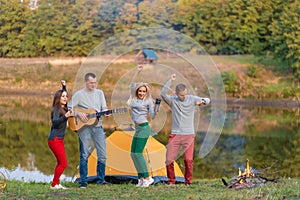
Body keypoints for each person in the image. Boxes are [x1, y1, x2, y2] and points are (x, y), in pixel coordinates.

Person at [160, 74, 210, 186]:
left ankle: (188, 182)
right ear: (176, 94)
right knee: (169, 160)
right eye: (182, 95)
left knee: (188, 160)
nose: (184, 97)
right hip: (175, 135)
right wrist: (170, 80)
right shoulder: (172, 101)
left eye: (185, 94)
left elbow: (208, 99)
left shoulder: (191, 99)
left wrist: (202, 102)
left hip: (189, 135)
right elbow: (162, 94)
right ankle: (171, 181)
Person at [68, 73, 110, 188]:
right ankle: (83, 181)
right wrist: (79, 113)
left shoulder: (100, 93)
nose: (93, 85)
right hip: (84, 128)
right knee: (84, 154)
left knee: (102, 154)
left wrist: (106, 112)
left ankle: (100, 180)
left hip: (98, 127)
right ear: (85, 82)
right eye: (91, 83)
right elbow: (69, 107)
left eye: (95, 82)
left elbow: (104, 107)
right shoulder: (79, 94)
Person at [127, 64, 158, 187]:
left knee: (138, 153)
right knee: (133, 153)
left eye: (144, 91)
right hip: (137, 128)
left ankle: (147, 178)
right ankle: (141, 179)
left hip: (144, 128)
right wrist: (138, 71)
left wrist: (156, 110)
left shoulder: (149, 101)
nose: (141, 93)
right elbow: (132, 84)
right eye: (140, 91)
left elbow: (152, 116)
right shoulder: (134, 98)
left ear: (146, 92)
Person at [48, 80, 73, 190]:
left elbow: (63, 94)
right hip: (55, 140)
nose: (65, 98)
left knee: (60, 162)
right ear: (58, 98)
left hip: (59, 139)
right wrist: (66, 117)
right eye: (63, 96)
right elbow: (55, 122)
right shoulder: (56, 109)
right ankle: (54, 184)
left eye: (66, 96)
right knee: (63, 163)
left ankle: (56, 183)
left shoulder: (63, 108)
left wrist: (64, 86)